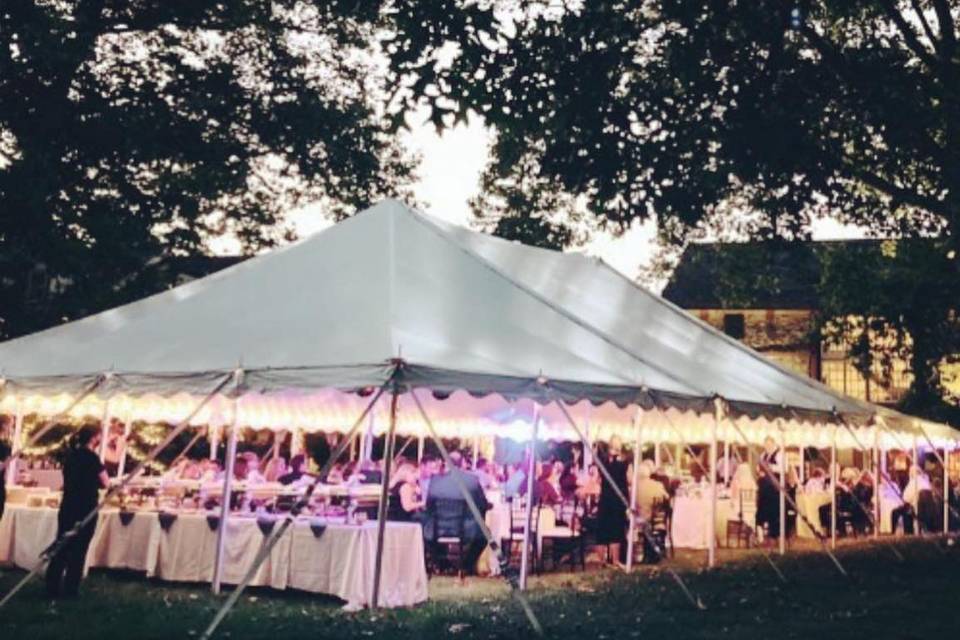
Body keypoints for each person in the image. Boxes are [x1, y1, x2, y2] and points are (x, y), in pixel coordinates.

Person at [46, 426, 109, 598]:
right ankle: (70, 588)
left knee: (62, 545)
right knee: (79, 549)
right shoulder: (92, 458)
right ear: (94, 438)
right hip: (86, 506)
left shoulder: (70, 457)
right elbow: (105, 482)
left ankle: (52, 585)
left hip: (68, 505)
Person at [423, 450, 490, 576]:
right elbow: (482, 504)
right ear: (462, 463)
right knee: (485, 534)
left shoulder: (435, 481)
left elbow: (428, 506)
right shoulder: (472, 480)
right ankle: (466, 565)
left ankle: (442, 564)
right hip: (466, 527)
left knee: (425, 531)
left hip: (438, 528)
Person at [596, 437, 629, 565]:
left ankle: (602, 561)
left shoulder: (604, 460)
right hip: (616, 498)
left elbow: (599, 476)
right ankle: (614, 560)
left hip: (606, 497)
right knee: (616, 530)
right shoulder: (623, 461)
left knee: (603, 529)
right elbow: (627, 480)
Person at [756, 436, 782, 543]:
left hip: (774, 487)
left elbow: (783, 469)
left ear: (773, 444)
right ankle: (761, 535)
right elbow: (759, 467)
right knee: (761, 509)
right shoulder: (763, 455)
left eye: (769, 445)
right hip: (764, 486)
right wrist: (759, 471)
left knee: (774, 511)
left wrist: (770, 467)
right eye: (765, 445)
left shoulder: (780, 454)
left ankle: (774, 535)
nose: (767, 447)